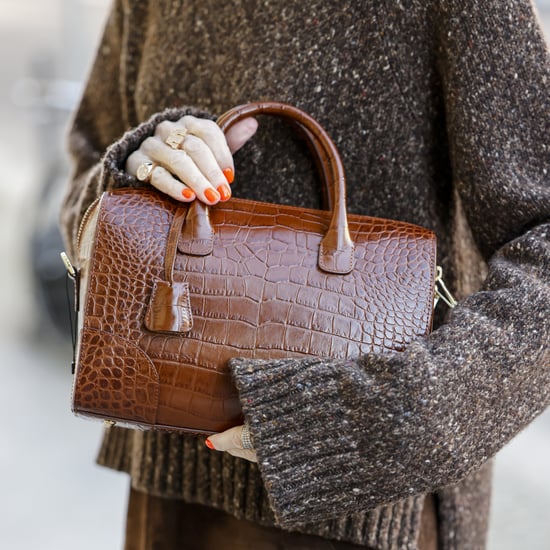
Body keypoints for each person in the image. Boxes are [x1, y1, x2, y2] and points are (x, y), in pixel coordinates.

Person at [60, 0, 549, 548]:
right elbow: (84, 183)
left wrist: (381, 417)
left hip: (368, 515)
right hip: (168, 485)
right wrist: (138, 177)